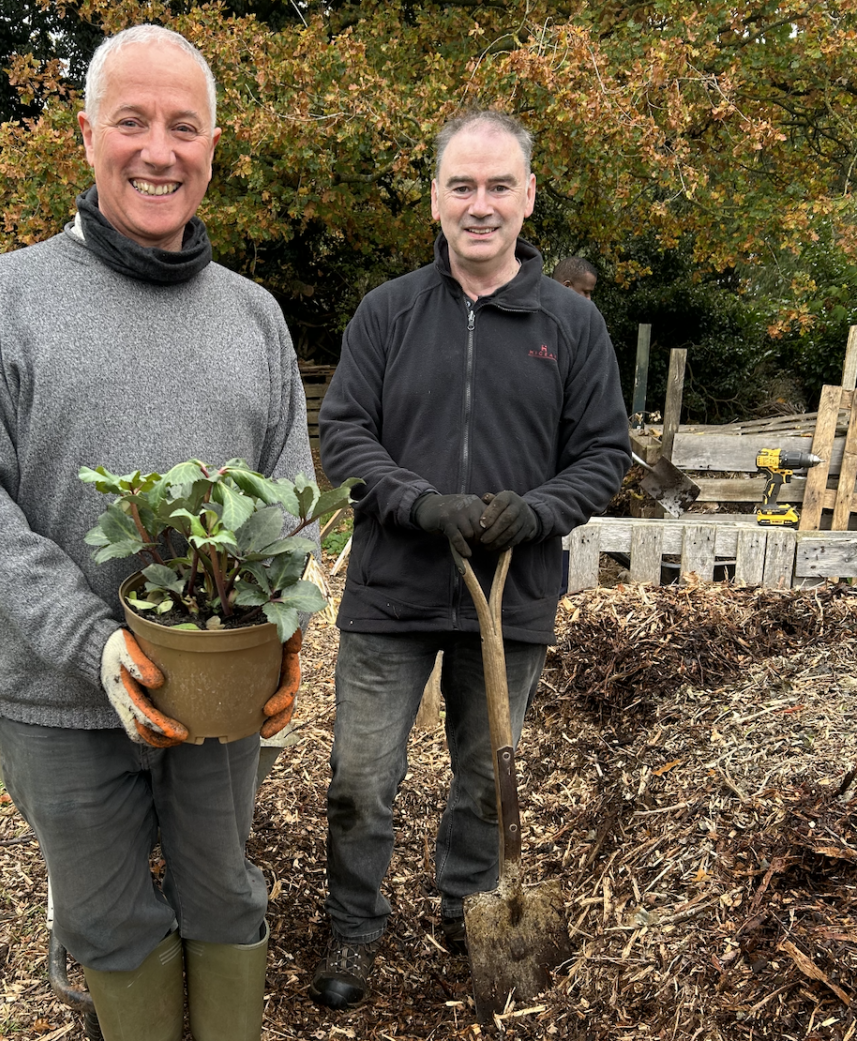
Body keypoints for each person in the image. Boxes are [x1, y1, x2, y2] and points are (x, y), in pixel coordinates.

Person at [0, 25, 315, 1041]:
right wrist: (90, 641)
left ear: (212, 146)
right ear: (87, 135)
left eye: (183, 126)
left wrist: (283, 631)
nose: (159, 150)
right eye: (132, 122)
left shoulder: (253, 316)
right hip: (59, 696)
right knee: (107, 919)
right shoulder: (2, 299)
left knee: (225, 897)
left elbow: (290, 496)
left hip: (219, 688)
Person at [312, 109, 630, 1009]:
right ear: (437, 199)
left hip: (511, 587)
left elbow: (603, 453)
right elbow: (346, 433)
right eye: (462, 185)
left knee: (489, 773)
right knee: (362, 779)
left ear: (528, 198)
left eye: (498, 186)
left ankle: (467, 907)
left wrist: (533, 513)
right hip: (393, 588)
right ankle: (353, 924)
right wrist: (420, 504)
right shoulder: (388, 312)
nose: (479, 204)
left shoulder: (570, 325)